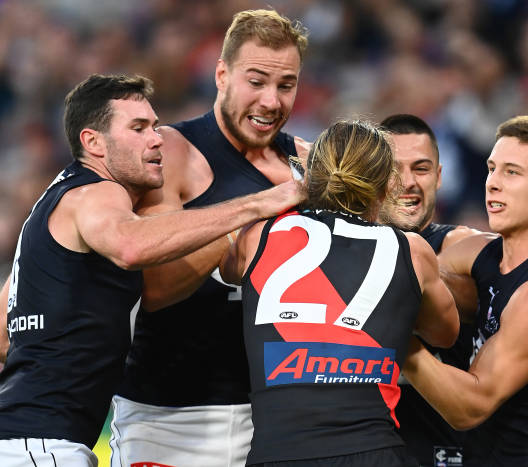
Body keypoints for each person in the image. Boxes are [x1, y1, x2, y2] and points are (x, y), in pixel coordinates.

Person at [0, 73, 303, 466]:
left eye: (155, 126)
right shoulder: (97, 192)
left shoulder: (53, 204)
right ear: (93, 142)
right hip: (43, 447)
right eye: (138, 128)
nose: (157, 138)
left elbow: (4, 337)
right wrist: (258, 204)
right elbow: (130, 245)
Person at [111, 9, 310, 467]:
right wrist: (244, 225)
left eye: (286, 85)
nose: (271, 101)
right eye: (256, 81)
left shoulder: (306, 163)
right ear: (222, 74)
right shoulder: (172, 150)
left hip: (275, 417)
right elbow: (155, 288)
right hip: (169, 416)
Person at [219, 119, 459, 466]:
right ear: (386, 183)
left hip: (278, 454)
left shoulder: (260, 236)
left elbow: (229, 270)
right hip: (372, 452)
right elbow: (446, 333)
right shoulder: (412, 251)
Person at [403, 114, 528, 466]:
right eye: (492, 168)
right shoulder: (478, 253)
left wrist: (396, 338)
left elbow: (470, 407)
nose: (492, 183)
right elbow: (411, 272)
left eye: (512, 172)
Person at [378, 113, 482, 467]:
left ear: (439, 177)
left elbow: (473, 288)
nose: (408, 182)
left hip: (444, 453)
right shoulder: (344, 245)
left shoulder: (463, 246)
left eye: (421, 169)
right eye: (393, 170)